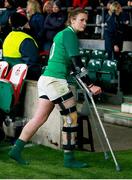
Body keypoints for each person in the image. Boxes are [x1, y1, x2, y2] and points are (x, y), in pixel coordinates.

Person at [8, 8, 102, 168]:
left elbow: (68, 63)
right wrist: (91, 85)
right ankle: (69, 159)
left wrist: (74, 72)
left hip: (46, 79)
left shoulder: (63, 35)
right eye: (81, 20)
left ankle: (16, 150)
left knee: (39, 118)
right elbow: (77, 64)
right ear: (72, 20)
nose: (85, 23)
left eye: (86, 20)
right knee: (71, 117)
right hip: (55, 81)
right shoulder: (69, 34)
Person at [2, 12, 42, 80]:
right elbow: (32, 64)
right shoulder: (26, 39)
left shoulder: (7, 37)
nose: (29, 26)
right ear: (22, 25)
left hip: (10, 76)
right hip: (23, 77)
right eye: (27, 24)